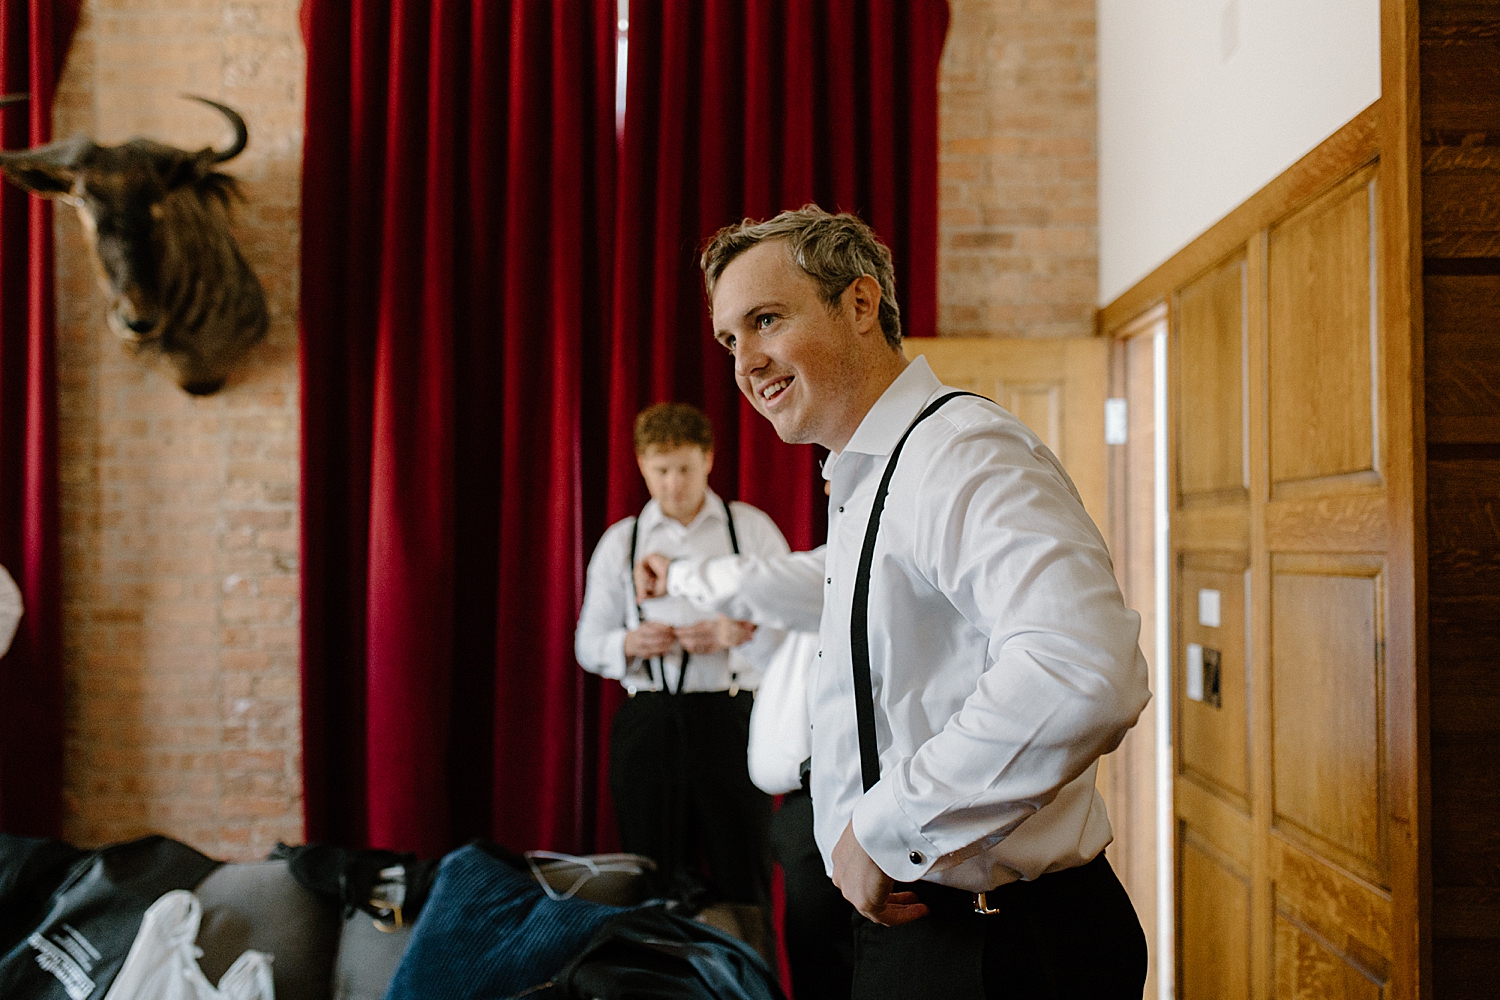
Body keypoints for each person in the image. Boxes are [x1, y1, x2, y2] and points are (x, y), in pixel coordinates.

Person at [638, 206, 1152, 999]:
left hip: (997, 947)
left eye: (766, 320)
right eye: (730, 340)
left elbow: (1082, 669)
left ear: (859, 303)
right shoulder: (867, 475)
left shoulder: (961, 454)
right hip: (919, 932)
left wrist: (891, 829)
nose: (746, 363)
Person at [574, 402, 789, 924]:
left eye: (685, 469)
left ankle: (747, 964)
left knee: (745, 874)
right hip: (648, 723)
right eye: (661, 471)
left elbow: (792, 632)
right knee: (650, 881)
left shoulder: (750, 529)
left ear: (708, 460)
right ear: (642, 466)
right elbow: (588, 643)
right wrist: (630, 643)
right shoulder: (621, 542)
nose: (673, 485)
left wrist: (734, 636)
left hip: (733, 719)